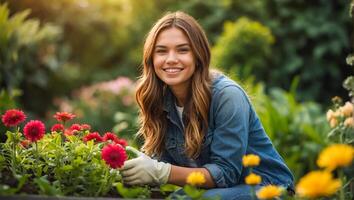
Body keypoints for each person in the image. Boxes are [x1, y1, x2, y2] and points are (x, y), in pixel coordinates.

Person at [121, 11, 294, 199]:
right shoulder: (161, 101)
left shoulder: (227, 96)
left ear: (198, 56)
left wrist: (162, 172)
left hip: (269, 188)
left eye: (182, 50)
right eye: (161, 51)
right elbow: (160, 164)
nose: (171, 59)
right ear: (151, 59)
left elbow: (226, 173)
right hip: (215, 191)